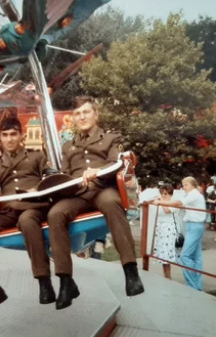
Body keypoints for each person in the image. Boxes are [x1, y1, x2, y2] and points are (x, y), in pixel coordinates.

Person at [46, 97, 144, 309]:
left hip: (102, 188)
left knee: (111, 202)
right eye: (78, 114)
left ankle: (131, 272)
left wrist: (97, 172)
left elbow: (116, 163)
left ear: (96, 115)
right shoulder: (68, 145)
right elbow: (65, 173)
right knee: (55, 214)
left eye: (86, 112)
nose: (81, 117)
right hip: (78, 194)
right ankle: (65, 280)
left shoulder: (111, 138)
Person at [0, 117, 54, 316]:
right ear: (0, 138)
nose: (9, 139)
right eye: (5, 135)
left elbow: (50, 176)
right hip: (8, 210)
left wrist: (38, 187)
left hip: (32, 206)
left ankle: (44, 281)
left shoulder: (36, 156)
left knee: (27, 221)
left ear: (21, 136)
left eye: (13, 134)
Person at [153, 176, 206, 290]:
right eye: (183, 185)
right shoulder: (192, 195)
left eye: (186, 184)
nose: (184, 187)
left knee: (185, 255)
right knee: (196, 257)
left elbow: (177, 203)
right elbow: (179, 205)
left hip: (194, 225)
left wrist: (160, 201)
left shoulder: (193, 194)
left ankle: (192, 285)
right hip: (193, 225)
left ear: (192, 185)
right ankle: (197, 284)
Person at [151, 184, 182, 279]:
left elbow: (167, 211)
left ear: (170, 194)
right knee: (162, 254)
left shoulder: (173, 203)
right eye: (162, 194)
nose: (163, 196)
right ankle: (166, 276)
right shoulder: (160, 202)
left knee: (167, 254)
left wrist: (161, 202)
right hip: (160, 228)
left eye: (166, 194)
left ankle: (168, 277)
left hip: (169, 229)